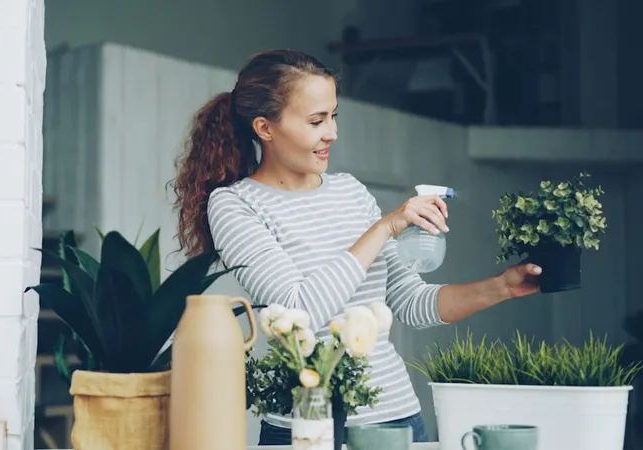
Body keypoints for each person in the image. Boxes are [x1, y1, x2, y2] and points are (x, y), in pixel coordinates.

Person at [170, 49, 542, 444]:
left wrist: (502, 287)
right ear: (265, 127)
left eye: (333, 116)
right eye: (316, 121)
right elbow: (300, 312)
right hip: (307, 427)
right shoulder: (236, 204)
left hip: (399, 420)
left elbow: (412, 303)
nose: (331, 133)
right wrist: (384, 228)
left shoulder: (351, 191)